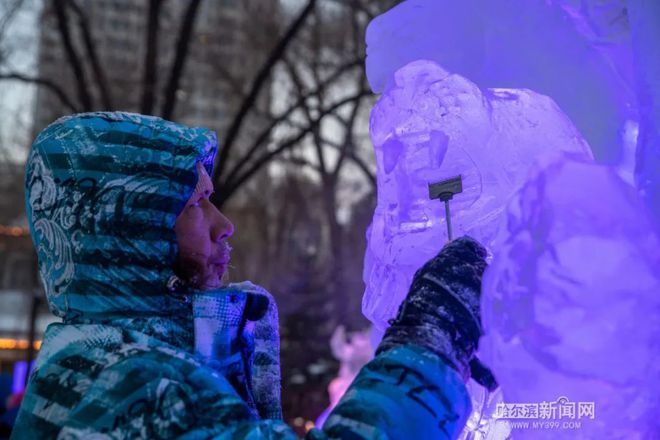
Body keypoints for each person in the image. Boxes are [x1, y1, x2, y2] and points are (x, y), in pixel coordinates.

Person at [12, 112, 489, 439]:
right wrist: (432, 334)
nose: (224, 225)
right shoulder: (131, 386)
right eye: (195, 205)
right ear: (126, 229)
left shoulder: (98, 362)